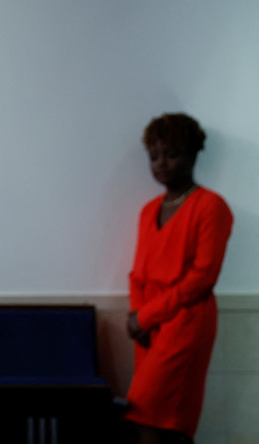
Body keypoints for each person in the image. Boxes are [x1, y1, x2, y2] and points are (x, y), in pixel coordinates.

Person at [124, 113, 233, 444]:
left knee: (157, 418)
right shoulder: (148, 209)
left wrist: (145, 316)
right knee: (156, 420)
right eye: (154, 156)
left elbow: (203, 277)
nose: (161, 164)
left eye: (172, 154)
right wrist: (139, 316)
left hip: (186, 320)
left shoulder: (210, 206)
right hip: (148, 328)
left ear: (192, 154)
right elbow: (138, 273)